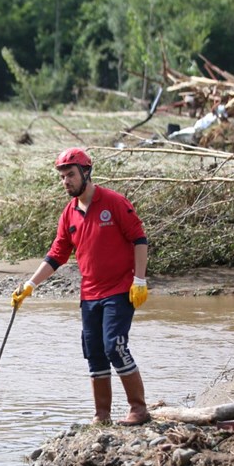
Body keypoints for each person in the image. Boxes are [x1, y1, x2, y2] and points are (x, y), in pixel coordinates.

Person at [11, 148, 150, 426]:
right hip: (89, 295)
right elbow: (57, 255)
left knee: (115, 346)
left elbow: (139, 239)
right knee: (94, 352)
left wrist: (140, 280)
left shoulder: (114, 202)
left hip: (121, 290)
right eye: (62, 177)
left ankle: (139, 409)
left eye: (71, 175)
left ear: (86, 173)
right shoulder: (69, 214)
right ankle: (102, 416)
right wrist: (29, 285)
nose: (66, 181)